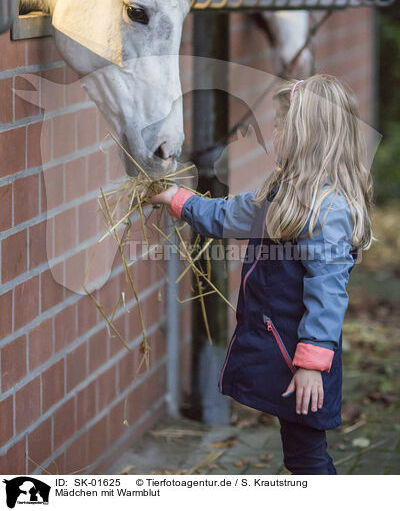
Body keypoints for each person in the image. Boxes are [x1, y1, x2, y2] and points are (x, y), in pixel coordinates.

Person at [148, 74, 374, 475]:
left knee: (307, 455)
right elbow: (228, 214)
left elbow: (329, 291)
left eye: (281, 125)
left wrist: (311, 366)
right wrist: (178, 200)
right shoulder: (284, 195)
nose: (274, 132)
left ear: (307, 136)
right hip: (282, 344)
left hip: (300, 357)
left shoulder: (327, 211)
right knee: (300, 451)